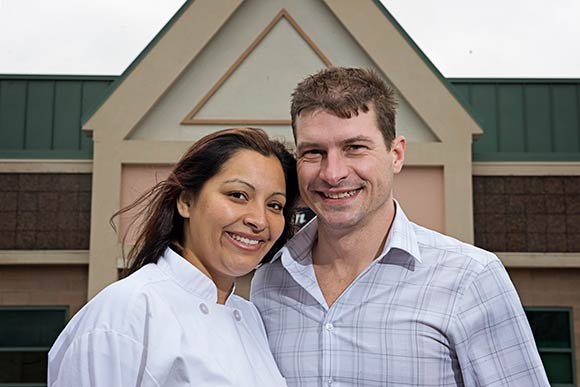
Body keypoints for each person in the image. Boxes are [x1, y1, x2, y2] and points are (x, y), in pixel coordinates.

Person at [251, 68, 550, 387]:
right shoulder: (269, 282)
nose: (333, 173)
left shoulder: (471, 278)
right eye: (314, 152)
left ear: (396, 155)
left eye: (355, 147)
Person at [48, 128, 297, 386]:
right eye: (237, 195)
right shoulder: (128, 309)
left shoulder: (249, 317)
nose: (258, 220)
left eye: (274, 205)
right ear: (186, 201)